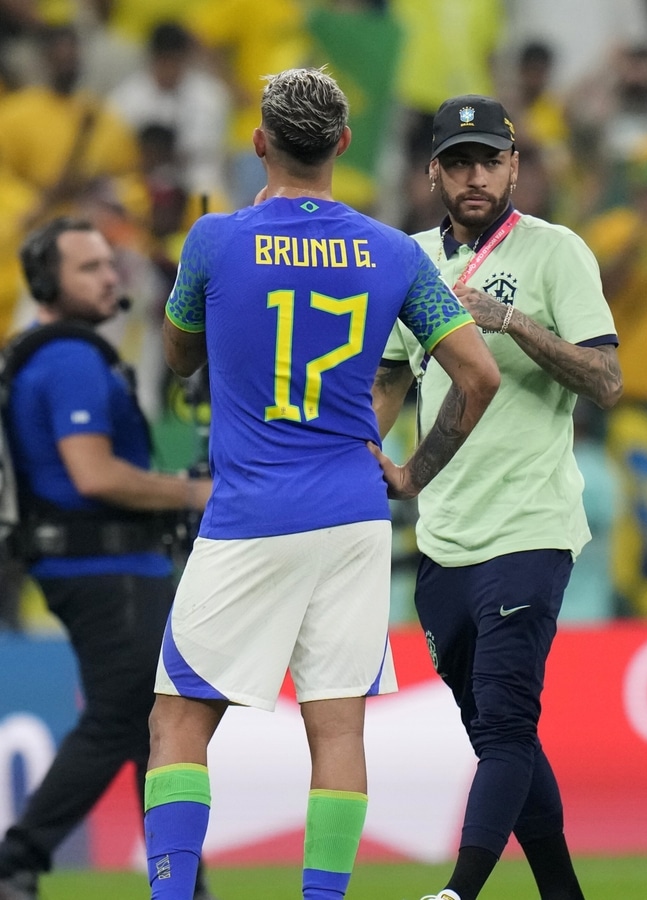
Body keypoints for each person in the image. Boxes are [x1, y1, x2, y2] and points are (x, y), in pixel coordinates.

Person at [144, 68, 501, 900]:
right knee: (337, 728)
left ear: (260, 141)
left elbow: (177, 357)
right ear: (342, 144)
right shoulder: (389, 250)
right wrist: (410, 472)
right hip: (353, 513)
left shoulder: (216, 241)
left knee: (177, 723)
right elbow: (477, 377)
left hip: (249, 512)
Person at [371, 93, 622, 900]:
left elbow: (607, 379)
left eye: (489, 160)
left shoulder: (557, 252)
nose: (475, 176)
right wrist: (367, 455)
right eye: (458, 162)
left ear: (515, 165)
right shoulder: (407, 258)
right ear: (432, 174)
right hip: (441, 539)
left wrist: (511, 319)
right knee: (496, 736)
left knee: (508, 723)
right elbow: (388, 378)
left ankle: (459, 891)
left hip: (529, 526)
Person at [0, 219, 211, 900]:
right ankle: (17, 857)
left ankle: (184, 879)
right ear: (44, 282)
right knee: (126, 712)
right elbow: (93, 475)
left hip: (96, 562)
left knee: (148, 730)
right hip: (103, 564)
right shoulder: (70, 359)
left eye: (108, 264)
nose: (109, 276)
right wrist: (191, 489)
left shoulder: (58, 354)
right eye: (87, 267)